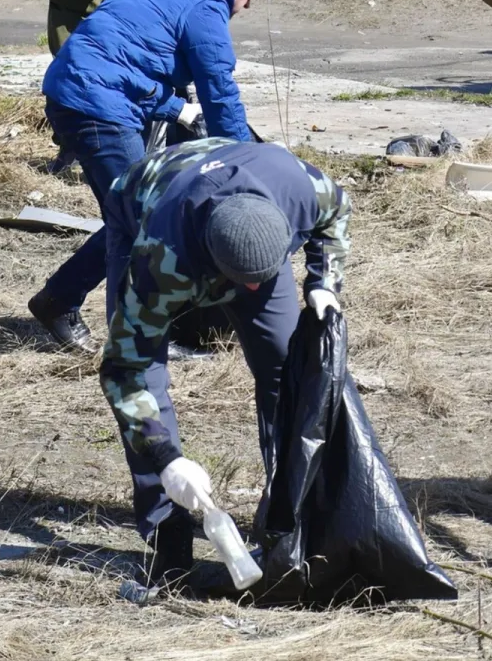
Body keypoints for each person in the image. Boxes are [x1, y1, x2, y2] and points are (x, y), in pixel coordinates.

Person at [98, 139, 352, 586]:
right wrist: (166, 458)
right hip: (144, 197)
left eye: (262, 279)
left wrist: (323, 280)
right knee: (148, 384)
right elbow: (128, 370)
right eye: (240, 282)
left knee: (286, 365)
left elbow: (337, 211)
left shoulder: (299, 190)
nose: (252, 292)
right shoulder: (161, 258)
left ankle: (287, 521)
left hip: (244, 185)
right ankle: (168, 537)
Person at [26, 0, 272, 353]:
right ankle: (132, 339)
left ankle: (60, 301)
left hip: (77, 93)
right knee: (146, 220)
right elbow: (219, 91)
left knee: (133, 216)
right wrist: (240, 158)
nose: (247, 5)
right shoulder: (206, 5)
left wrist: (176, 107)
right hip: (98, 107)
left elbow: (124, 61)